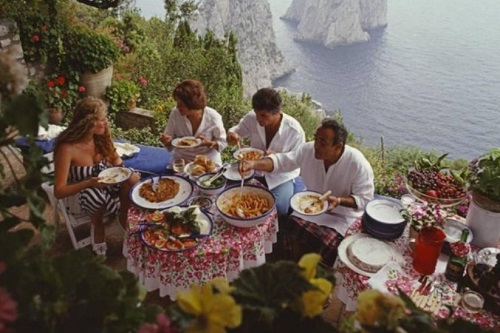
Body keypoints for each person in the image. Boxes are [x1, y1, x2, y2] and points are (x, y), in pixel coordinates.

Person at [239, 118, 374, 266]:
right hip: (309, 207)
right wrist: (253, 164)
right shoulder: (307, 150)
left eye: (323, 142)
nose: (316, 145)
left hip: (342, 217)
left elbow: (365, 199)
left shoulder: (357, 164)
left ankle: (321, 271)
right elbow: (281, 161)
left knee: (330, 245)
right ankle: (297, 264)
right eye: (316, 138)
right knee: (290, 225)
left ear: (338, 146)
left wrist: (340, 200)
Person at [53, 97, 140, 256]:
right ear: (88, 122)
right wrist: (89, 183)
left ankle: (123, 217)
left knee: (133, 178)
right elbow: (59, 191)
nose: (106, 123)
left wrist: (124, 173)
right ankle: (98, 233)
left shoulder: (100, 137)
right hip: (78, 193)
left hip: (104, 185)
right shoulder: (67, 148)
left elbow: (116, 161)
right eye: (102, 119)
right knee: (96, 196)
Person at [227, 88, 305, 217]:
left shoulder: (294, 131)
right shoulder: (252, 118)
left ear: (277, 112)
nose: (258, 118)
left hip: (280, 177)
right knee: (234, 196)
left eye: (263, 115)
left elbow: (296, 161)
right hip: (253, 171)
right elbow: (237, 131)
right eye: (256, 113)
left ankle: (271, 232)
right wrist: (232, 135)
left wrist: (275, 158)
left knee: (279, 207)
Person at [160, 79, 227, 166]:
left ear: (192, 103)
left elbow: (223, 143)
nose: (177, 107)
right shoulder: (175, 113)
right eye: (177, 103)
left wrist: (209, 143)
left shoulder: (213, 117)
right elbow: (169, 142)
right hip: (182, 161)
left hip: (207, 163)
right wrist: (166, 141)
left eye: (181, 104)